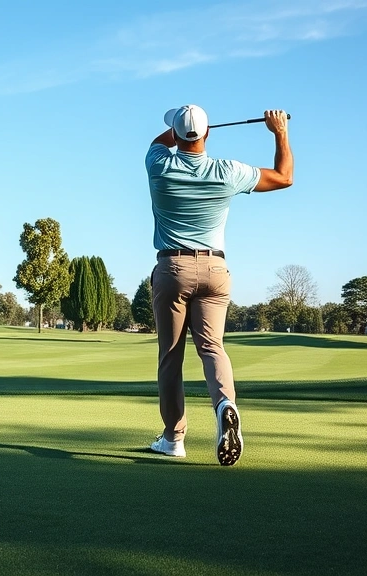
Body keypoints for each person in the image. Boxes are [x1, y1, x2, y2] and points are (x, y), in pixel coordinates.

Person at [146, 105, 293, 465]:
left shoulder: (158, 163)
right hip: (215, 268)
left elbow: (160, 140)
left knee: (171, 357)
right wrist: (279, 132)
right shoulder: (227, 171)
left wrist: (189, 133)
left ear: (177, 136)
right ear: (208, 134)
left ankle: (173, 439)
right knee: (212, 348)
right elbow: (284, 176)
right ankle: (225, 403)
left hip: (172, 267)